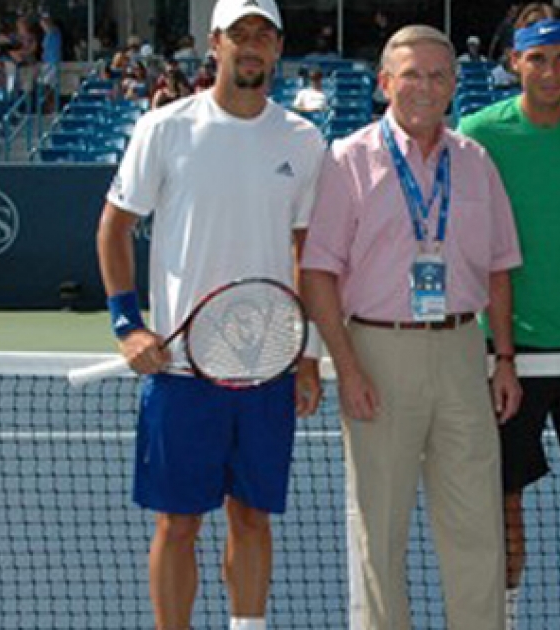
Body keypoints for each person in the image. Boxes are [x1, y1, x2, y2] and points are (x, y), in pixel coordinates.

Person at [96, 0, 325, 628]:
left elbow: (308, 253)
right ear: (215, 42)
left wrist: (306, 355)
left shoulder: (304, 141)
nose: (251, 46)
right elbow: (113, 230)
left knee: (250, 517)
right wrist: (127, 324)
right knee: (178, 522)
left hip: (266, 369)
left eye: (264, 35)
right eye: (239, 34)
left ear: (278, 48)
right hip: (180, 374)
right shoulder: (165, 128)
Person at [302, 24, 523, 630]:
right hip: (376, 354)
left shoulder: (476, 162)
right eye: (411, 75)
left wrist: (503, 358)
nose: (424, 87)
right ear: (384, 83)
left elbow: (500, 269)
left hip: (460, 353)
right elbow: (319, 273)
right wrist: (347, 367)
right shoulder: (347, 161)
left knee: (477, 526)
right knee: (380, 530)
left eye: (437, 75)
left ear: (454, 84)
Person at [457, 5, 560, 630]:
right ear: (514, 62)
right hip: (504, 353)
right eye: (536, 58)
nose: (550, 71)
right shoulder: (478, 131)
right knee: (500, 502)